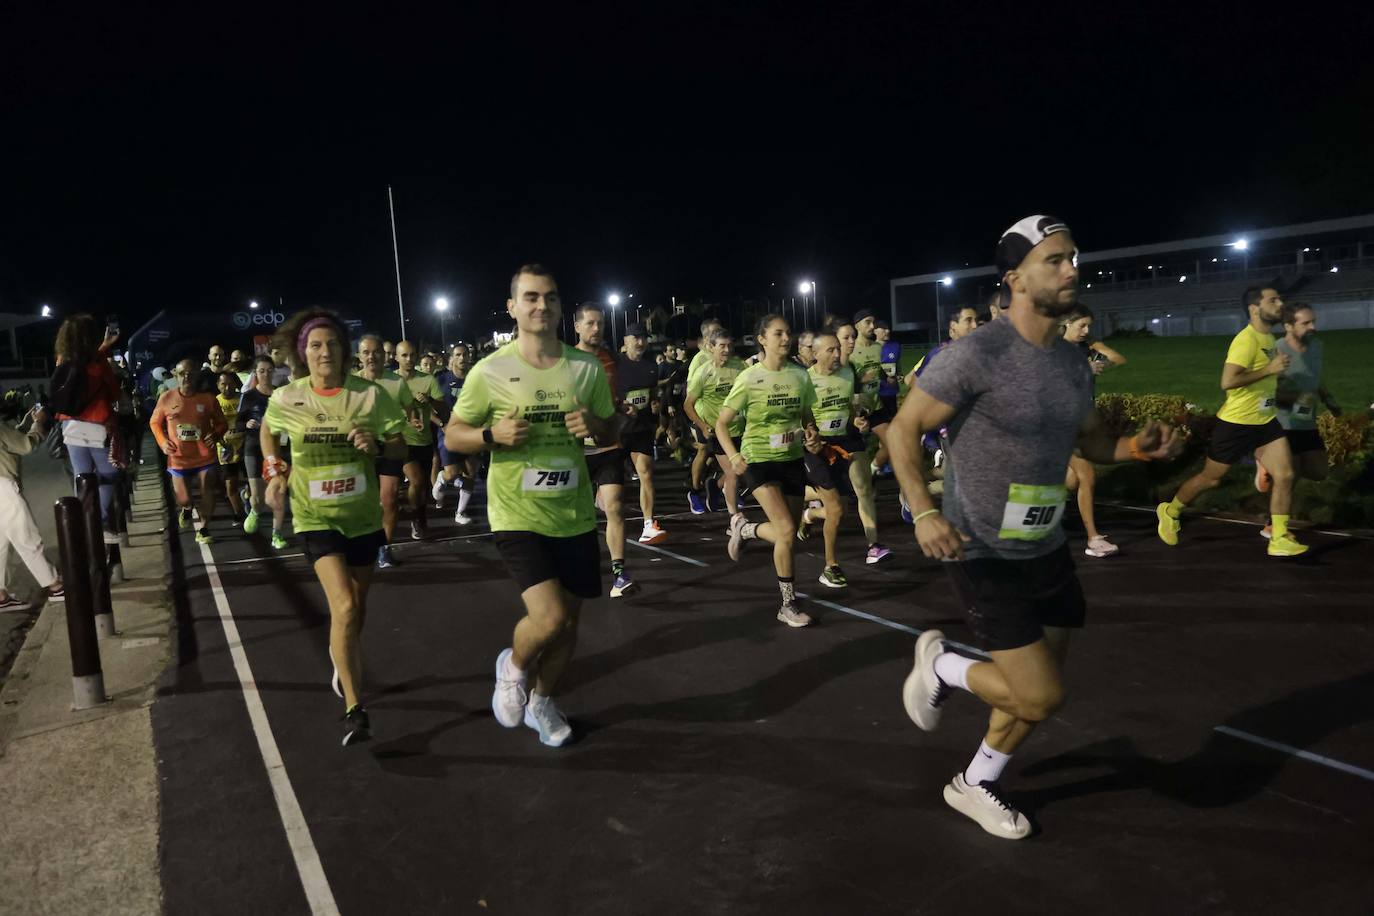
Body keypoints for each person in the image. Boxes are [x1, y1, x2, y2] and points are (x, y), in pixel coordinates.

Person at [888, 215, 1182, 840]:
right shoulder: (977, 354)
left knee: (1027, 694)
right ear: (1015, 278)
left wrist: (1136, 449)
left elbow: (1094, 442)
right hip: (981, 548)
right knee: (1042, 695)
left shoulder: (1073, 365)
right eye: (1056, 260)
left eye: (1073, 257)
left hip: (1046, 544)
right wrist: (924, 510)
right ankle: (942, 666)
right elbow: (902, 429)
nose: (1072, 268)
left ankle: (974, 783)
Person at [446, 264, 616, 747]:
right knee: (550, 618)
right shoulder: (491, 370)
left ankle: (543, 701)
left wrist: (595, 428)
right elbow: (453, 435)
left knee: (569, 627)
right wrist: (489, 435)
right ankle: (514, 667)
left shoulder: (585, 368)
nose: (542, 306)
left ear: (561, 307)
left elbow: (611, 430)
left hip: (574, 513)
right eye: (531, 297)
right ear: (513, 307)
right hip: (516, 512)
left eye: (551, 298)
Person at [261, 309, 408, 746]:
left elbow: (399, 449)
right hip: (315, 518)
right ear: (303, 354)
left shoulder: (370, 396)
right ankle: (355, 709)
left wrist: (378, 443)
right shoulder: (289, 398)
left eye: (332, 344)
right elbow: (269, 431)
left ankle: (340, 657)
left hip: (362, 518)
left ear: (345, 350)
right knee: (343, 607)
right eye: (315, 346)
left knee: (356, 611)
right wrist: (274, 472)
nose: (325, 352)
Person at [1157, 286, 1307, 557]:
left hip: (1266, 421)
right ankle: (1170, 510)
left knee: (1285, 474)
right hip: (1236, 424)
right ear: (1254, 308)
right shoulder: (1246, 341)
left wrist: (1282, 386)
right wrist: (1269, 369)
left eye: (1279, 299)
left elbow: (1263, 380)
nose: (1279, 303)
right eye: (1272, 300)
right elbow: (1228, 382)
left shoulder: (1269, 339)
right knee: (1210, 479)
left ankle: (1279, 537)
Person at [717, 314, 822, 628]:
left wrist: (812, 432)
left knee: (786, 534)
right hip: (759, 459)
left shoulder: (800, 375)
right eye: (778, 333)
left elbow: (807, 415)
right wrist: (733, 455)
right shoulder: (750, 378)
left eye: (788, 333)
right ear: (762, 339)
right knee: (788, 532)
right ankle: (788, 604)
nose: (785, 338)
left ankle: (746, 530)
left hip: (791, 459)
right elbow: (721, 424)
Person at [1256, 302, 1341, 537]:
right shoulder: (1275, 350)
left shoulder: (1317, 346)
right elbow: (1265, 391)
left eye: (1313, 321)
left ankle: (1269, 466)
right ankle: (1273, 525)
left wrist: (1328, 399)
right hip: (1282, 423)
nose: (1312, 327)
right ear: (1288, 326)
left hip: (1307, 421)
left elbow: (1315, 378)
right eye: (1306, 323)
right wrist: (1295, 397)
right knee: (1288, 475)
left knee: (1318, 471)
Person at [573, 303, 636, 597]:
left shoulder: (609, 360)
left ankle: (619, 574)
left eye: (599, 323)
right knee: (579, 516)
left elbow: (610, 396)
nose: (596, 329)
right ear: (577, 327)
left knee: (615, 507)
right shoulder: (566, 360)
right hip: (576, 451)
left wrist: (620, 406)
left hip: (608, 445)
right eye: (590, 324)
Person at [799, 331, 868, 587]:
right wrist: (810, 434)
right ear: (815, 354)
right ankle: (831, 566)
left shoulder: (848, 373)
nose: (838, 354)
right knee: (836, 509)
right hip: (815, 449)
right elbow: (798, 415)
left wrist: (857, 420)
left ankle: (808, 516)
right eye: (831, 350)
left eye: (838, 349)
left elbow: (851, 409)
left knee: (842, 508)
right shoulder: (804, 380)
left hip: (841, 445)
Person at [1060, 305, 1127, 558]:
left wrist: (1099, 364)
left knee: (1072, 480)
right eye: (1081, 326)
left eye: (1089, 325)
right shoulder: (1053, 350)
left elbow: (1119, 358)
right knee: (1087, 476)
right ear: (1066, 323)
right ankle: (1093, 539)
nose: (1086, 331)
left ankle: (1035, 504)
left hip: (1083, 422)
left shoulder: (1087, 347)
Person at [52, 314, 122, 543]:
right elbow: (113, 391)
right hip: (97, 423)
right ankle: (98, 521)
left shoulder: (62, 359)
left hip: (69, 424)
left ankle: (82, 524)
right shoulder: (98, 362)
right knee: (109, 473)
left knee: (82, 476)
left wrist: (103, 347)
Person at [355, 334, 418, 567]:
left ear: (385, 355)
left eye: (376, 352)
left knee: (389, 500)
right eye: (366, 352)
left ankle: (384, 549)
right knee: (363, 502)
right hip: (361, 450)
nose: (372, 356)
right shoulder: (351, 383)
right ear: (359, 356)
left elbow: (410, 408)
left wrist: (414, 420)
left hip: (390, 446)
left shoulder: (397, 382)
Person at [150, 359, 227, 544]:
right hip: (178, 458)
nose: (187, 377)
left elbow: (222, 423)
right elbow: (154, 422)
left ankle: (204, 528)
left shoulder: (208, 399)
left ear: (197, 375)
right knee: (184, 498)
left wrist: (216, 434)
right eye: (183, 373)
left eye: (191, 373)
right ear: (176, 375)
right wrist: (162, 441)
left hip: (204, 456)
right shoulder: (166, 398)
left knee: (207, 489)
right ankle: (186, 508)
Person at [836, 322, 893, 564]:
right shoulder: (810, 375)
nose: (851, 341)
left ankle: (873, 546)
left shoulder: (852, 369)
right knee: (833, 505)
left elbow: (858, 402)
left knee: (864, 490)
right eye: (845, 338)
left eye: (852, 337)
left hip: (849, 437)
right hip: (821, 442)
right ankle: (807, 516)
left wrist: (860, 419)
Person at [0, 403, 64, 611]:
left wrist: (24, 424)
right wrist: (38, 424)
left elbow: (9, 442)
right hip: (3, 489)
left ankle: (1, 596)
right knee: (27, 538)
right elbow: (26, 445)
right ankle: (55, 586)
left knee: (0, 545)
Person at [683, 327, 747, 519]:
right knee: (734, 473)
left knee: (742, 472)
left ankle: (715, 485)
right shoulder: (703, 373)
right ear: (711, 347)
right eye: (722, 346)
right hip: (718, 431)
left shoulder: (740, 367)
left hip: (741, 429)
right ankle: (734, 519)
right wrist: (703, 426)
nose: (727, 350)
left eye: (729, 345)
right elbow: (688, 405)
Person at [618, 323, 668, 545]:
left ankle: (648, 524)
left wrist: (655, 405)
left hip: (641, 428)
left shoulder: (650, 367)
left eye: (643, 338)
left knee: (646, 473)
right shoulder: (615, 365)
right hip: (616, 431)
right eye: (635, 338)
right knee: (612, 487)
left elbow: (652, 395)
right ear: (626, 340)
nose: (640, 342)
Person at [394, 340, 446, 541]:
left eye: (412, 355)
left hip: (422, 440)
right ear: (396, 357)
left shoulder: (428, 380)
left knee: (421, 485)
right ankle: (407, 520)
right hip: (397, 441)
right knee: (413, 480)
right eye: (404, 355)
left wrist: (429, 401)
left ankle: (420, 515)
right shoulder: (390, 381)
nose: (408, 359)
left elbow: (442, 409)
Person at [238, 355, 287, 548]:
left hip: (277, 448)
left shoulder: (280, 394)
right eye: (261, 371)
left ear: (274, 372)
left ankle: (277, 534)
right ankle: (254, 509)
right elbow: (238, 423)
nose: (265, 374)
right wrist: (246, 423)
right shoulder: (248, 396)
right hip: (253, 447)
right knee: (258, 498)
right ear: (255, 373)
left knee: (279, 492)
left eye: (269, 370)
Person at [432, 344, 479, 524]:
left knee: (471, 470)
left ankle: (460, 512)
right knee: (451, 473)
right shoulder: (441, 379)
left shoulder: (475, 379)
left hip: (469, 431)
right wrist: (441, 423)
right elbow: (429, 405)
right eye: (458, 355)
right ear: (452, 358)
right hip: (448, 432)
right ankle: (442, 479)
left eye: (465, 354)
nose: (462, 358)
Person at [851, 309, 895, 477]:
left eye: (873, 322)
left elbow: (877, 370)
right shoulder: (850, 350)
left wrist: (887, 377)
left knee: (892, 442)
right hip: (857, 410)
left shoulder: (877, 347)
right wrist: (861, 380)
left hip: (876, 406)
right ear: (857, 326)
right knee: (855, 456)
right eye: (867, 322)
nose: (872, 326)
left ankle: (873, 468)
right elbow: (847, 380)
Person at [215, 371, 247, 523]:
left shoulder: (242, 399)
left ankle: (247, 496)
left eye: (230, 384)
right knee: (231, 485)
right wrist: (221, 441)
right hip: (226, 448)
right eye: (223, 384)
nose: (227, 387)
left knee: (253, 483)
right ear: (218, 385)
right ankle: (238, 514)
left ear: (235, 384)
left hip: (244, 445)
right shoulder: (215, 402)